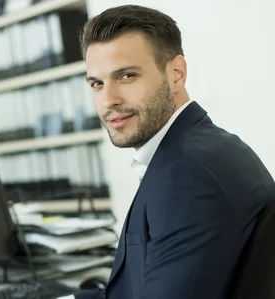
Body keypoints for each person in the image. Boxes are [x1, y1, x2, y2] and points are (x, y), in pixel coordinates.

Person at [74, 4, 275, 299]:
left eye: (127, 76)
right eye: (97, 83)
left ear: (176, 73)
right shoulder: (199, 149)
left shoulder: (189, 176)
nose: (108, 100)